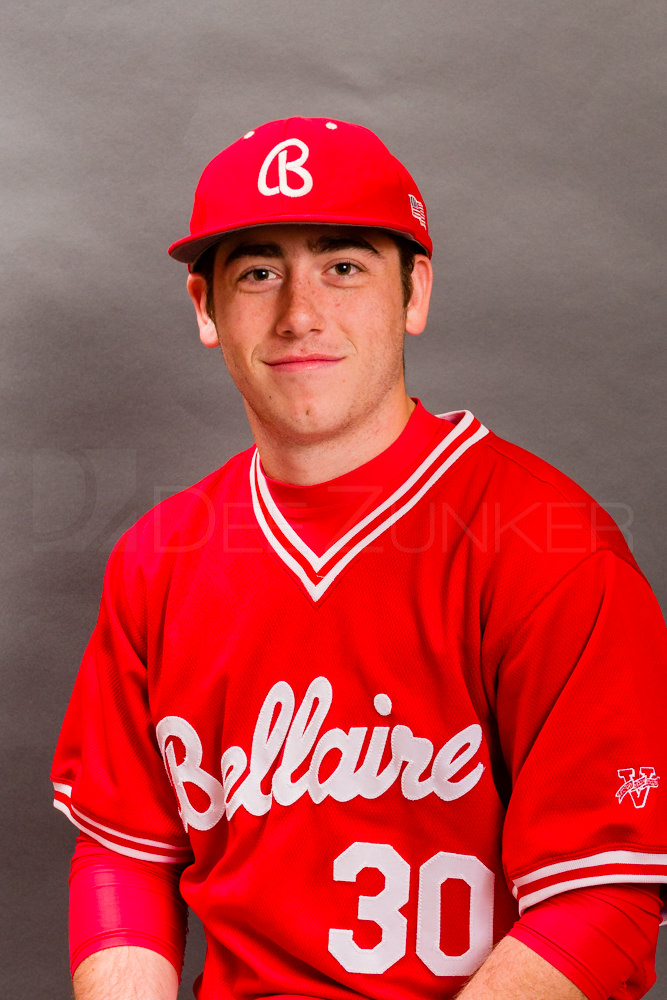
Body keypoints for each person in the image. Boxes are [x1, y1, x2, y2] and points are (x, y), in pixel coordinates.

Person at [52, 117, 667, 1000]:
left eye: (343, 266)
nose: (300, 313)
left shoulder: (550, 548)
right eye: (259, 271)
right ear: (205, 308)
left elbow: (603, 901)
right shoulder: (159, 557)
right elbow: (124, 858)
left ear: (414, 293)